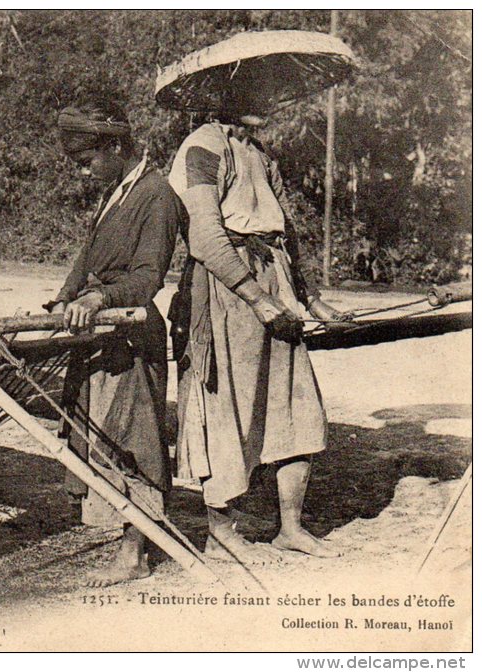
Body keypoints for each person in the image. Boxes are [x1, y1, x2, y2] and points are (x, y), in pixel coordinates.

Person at [168, 110, 352, 566]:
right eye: (255, 90)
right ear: (225, 95)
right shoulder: (202, 146)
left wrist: (310, 300)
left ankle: (290, 527)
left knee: (296, 404)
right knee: (230, 407)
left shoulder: (259, 152)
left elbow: (285, 233)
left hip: (275, 282)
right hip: (225, 289)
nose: (267, 100)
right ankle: (221, 532)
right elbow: (205, 236)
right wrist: (253, 296)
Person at [47, 98, 184, 587]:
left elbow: (148, 278)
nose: (85, 173)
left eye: (88, 163)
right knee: (101, 432)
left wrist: (101, 296)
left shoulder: (157, 196)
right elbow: (86, 258)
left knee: (135, 441)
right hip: (101, 333)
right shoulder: (116, 193)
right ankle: (129, 535)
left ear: (115, 146)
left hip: (131, 336)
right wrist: (64, 297)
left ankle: (136, 553)